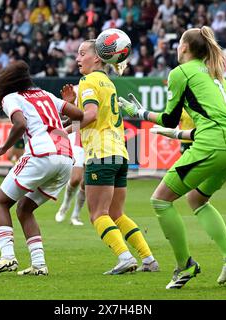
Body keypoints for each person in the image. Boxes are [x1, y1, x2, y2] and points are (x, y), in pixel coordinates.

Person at [119, 26, 226, 289]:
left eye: (178, 43)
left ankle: (184, 265)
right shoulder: (215, 74)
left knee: (160, 201)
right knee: (196, 198)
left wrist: (139, 112)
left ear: (185, 47)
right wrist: (179, 134)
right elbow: (214, 121)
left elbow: (169, 118)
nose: (177, 47)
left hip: (213, 144)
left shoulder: (181, 73)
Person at [61, 39, 159, 275]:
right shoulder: (108, 82)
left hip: (101, 154)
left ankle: (124, 258)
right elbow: (94, 114)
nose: (77, 58)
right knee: (117, 214)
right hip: (120, 153)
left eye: (82, 53)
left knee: (97, 215)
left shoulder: (88, 81)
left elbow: (91, 115)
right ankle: (148, 259)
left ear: (96, 58)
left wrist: (61, 131)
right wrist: (71, 106)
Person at [0, 61, 83, 276]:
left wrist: (3, 148)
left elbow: (20, 124)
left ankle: (7, 257)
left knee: (0, 203)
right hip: (65, 159)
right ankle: (39, 264)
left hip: (40, 155)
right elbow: (79, 115)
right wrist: (67, 106)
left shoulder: (11, 98)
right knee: (24, 209)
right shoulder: (45, 94)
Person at [55, 86, 86, 226]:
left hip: (97, 139)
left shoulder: (101, 86)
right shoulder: (77, 88)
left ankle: (76, 215)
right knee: (75, 179)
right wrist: (71, 103)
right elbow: (73, 116)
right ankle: (65, 205)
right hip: (79, 139)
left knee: (86, 184)